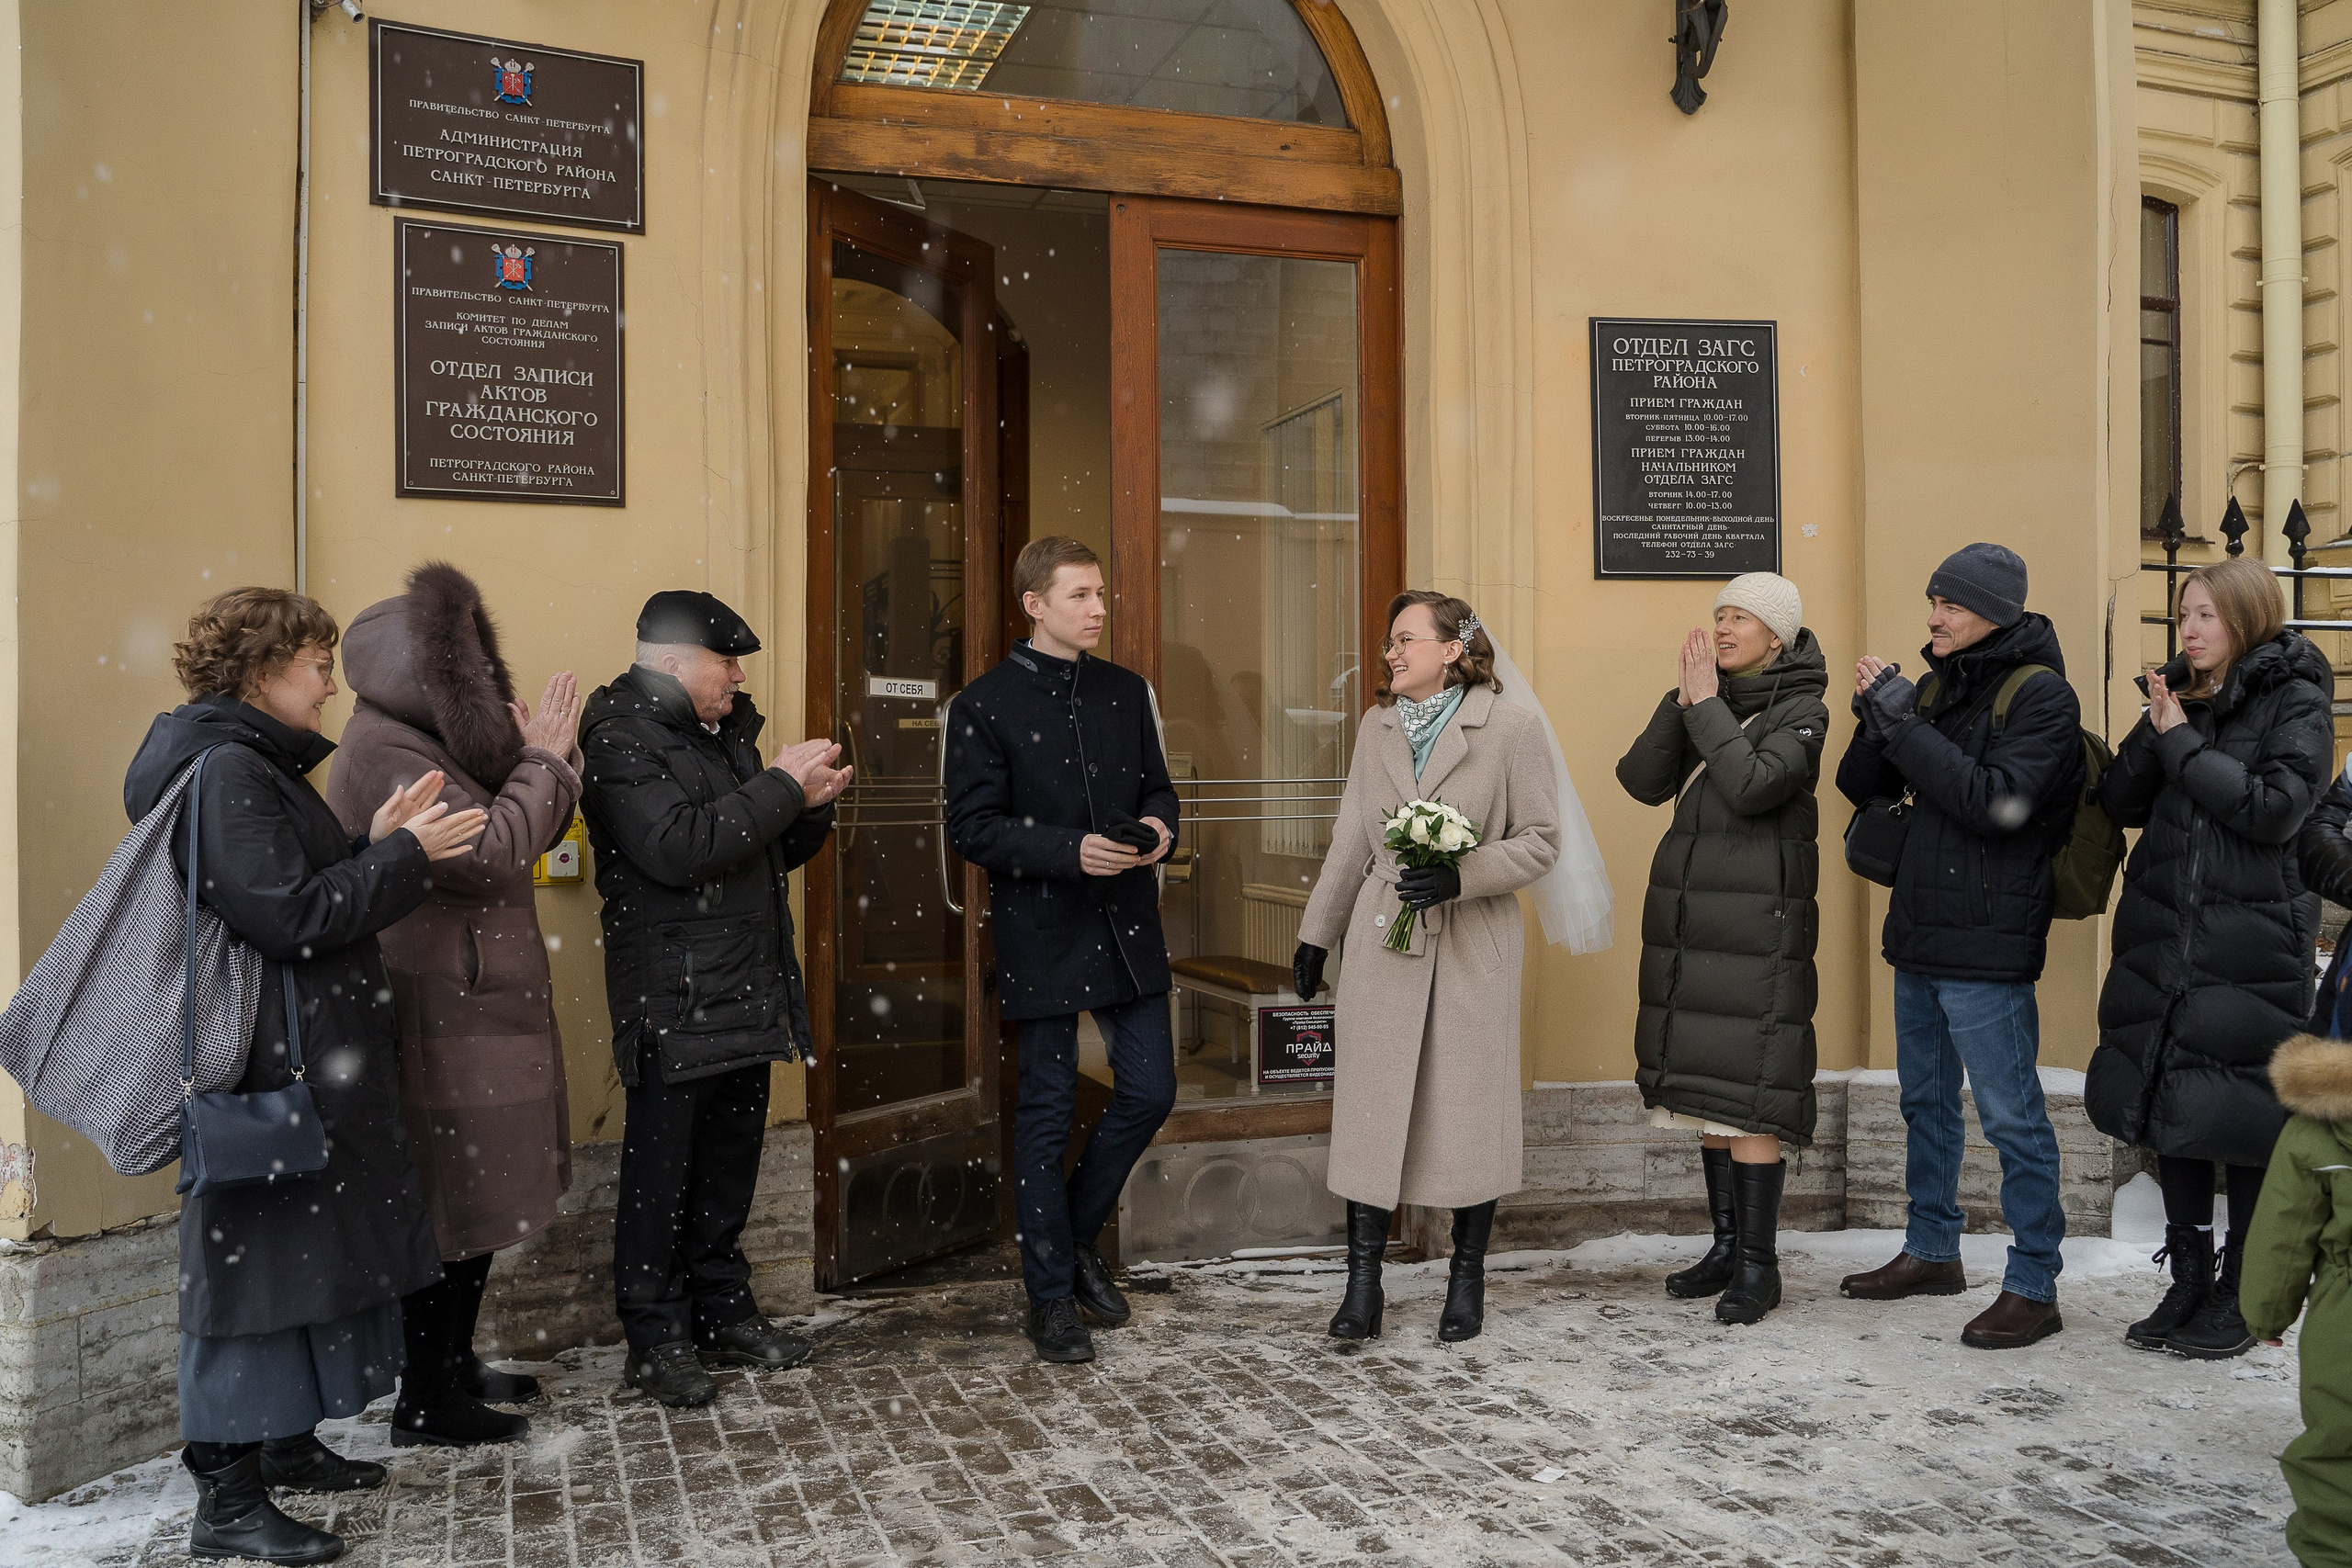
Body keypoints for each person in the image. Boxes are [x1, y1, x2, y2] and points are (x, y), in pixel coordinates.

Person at [129, 588, 485, 1564]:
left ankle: (284, 1445)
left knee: (294, 1264)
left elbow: (292, 893)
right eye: (315, 664)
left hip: (295, 1066)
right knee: (247, 1285)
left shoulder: (246, 765)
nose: (329, 681)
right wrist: (402, 857)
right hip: (268, 1077)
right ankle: (228, 1502)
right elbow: (286, 917)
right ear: (259, 673)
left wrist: (375, 846)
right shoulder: (229, 773)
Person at [326, 563, 584, 1445]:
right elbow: (494, 854)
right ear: (430, 673)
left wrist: (537, 760)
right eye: (465, 665)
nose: (481, 676)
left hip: (477, 1000)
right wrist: (544, 757)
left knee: (477, 1200)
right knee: (452, 1204)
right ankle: (426, 1396)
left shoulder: (426, 738)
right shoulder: (384, 750)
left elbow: (526, 827)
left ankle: (451, 1364)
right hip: (443, 1008)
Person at [580, 591, 850, 1408]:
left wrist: (811, 805)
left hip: (743, 983)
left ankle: (724, 1310)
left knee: (727, 1166)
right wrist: (777, 785)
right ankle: (655, 1337)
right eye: (725, 661)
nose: (737, 676)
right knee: (661, 1175)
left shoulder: (721, 732)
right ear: (668, 659)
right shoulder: (620, 736)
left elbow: (757, 845)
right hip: (675, 994)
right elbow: (680, 848)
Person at [1293, 591, 1567, 1344]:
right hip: (1385, 940)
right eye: (1389, 641)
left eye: (1406, 639)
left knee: (1469, 1111)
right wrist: (1318, 932)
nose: (1391, 651)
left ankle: (1466, 1277)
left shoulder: (1509, 725)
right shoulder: (1376, 726)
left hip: (1472, 941)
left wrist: (1461, 872)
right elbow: (1352, 835)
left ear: (1452, 649)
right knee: (1370, 1112)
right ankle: (1362, 1286)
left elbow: (1543, 840)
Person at [1833, 543, 2084, 1349]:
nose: (1933, 615)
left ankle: (2034, 1280)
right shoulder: (1940, 684)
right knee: (1925, 1104)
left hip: (1988, 937)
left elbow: (1995, 802)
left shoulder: (2043, 697)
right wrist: (1881, 715)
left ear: (1997, 614)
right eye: (1933, 599)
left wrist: (1906, 723)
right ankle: (1934, 1248)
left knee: (2012, 1116)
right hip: (1920, 929)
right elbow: (1858, 786)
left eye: (1951, 604)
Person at [2087, 557, 2332, 1359]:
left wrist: (2181, 739)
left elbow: (2273, 810)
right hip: (2168, 929)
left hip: (2252, 936)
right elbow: (2119, 801)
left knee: (2248, 1117)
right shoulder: (2179, 698)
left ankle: (2241, 1291)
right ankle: (2188, 1276)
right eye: (2183, 615)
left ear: (2246, 619)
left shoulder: (2296, 697)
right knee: (2177, 1102)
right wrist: (2157, 722)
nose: (2188, 630)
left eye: (2205, 617)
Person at [944, 536, 1179, 1365]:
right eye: (1080, 594)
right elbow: (971, 827)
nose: (1099, 607)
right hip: (1041, 928)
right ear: (1034, 604)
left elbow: (1159, 786)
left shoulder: (1125, 691)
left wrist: (1157, 828)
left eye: (1102, 592)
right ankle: (1049, 1297)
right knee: (1044, 1114)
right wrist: (1065, 849)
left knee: (1151, 1090)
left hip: (1125, 922)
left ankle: (1076, 1239)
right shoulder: (984, 704)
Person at [1615, 572, 1827, 1325]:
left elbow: (1752, 785)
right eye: (1720, 615)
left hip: (1758, 932)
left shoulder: (1804, 709)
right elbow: (1640, 780)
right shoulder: (1706, 697)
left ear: (1779, 636)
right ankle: (1725, 1246)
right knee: (1707, 1090)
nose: (1725, 627)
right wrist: (1684, 703)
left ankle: (1759, 1266)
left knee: (1753, 1100)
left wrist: (1705, 706)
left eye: (1741, 617)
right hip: (1695, 927)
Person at [2241, 1031, 2352, 1567]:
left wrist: (2266, 1311)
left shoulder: (2322, 1121)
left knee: (2340, 1452)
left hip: (2347, 1324)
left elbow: (2284, 1230)